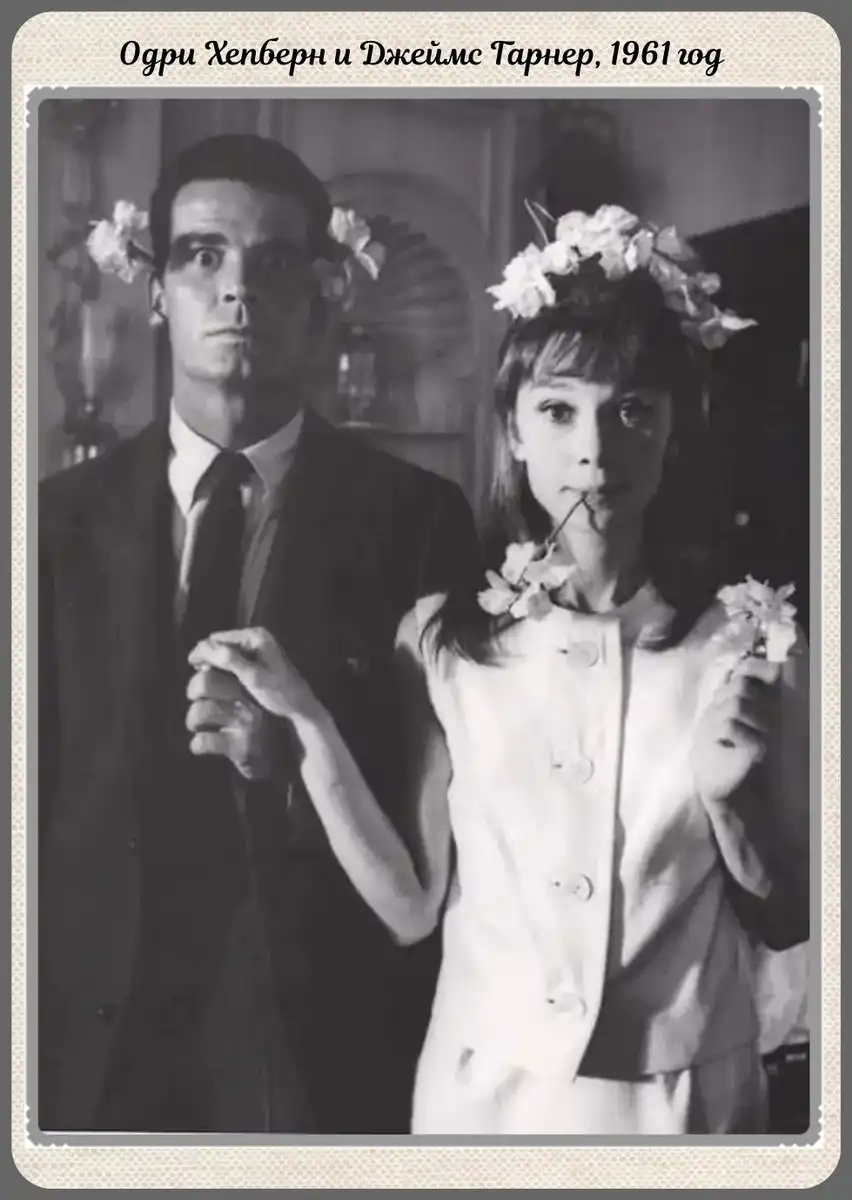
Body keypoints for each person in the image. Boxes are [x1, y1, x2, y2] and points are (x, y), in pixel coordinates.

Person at [190, 206, 810, 1134]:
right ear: (513, 431)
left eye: (631, 410)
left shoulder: (752, 640)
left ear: (675, 431)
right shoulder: (445, 642)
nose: (593, 449)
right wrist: (306, 718)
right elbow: (409, 906)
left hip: (684, 1110)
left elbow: (791, 919)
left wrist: (733, 804)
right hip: (483, 1103)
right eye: (558, 410)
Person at [38, 133, 479, 1134]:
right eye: (202, 255)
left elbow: (444, 811)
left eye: (274, 262)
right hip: (91, 1039)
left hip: (319, 1036)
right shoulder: (55, 523)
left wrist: (295, 769)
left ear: (323, 293)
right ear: (157, 291)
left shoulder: (417, 519)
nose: (237, 289)